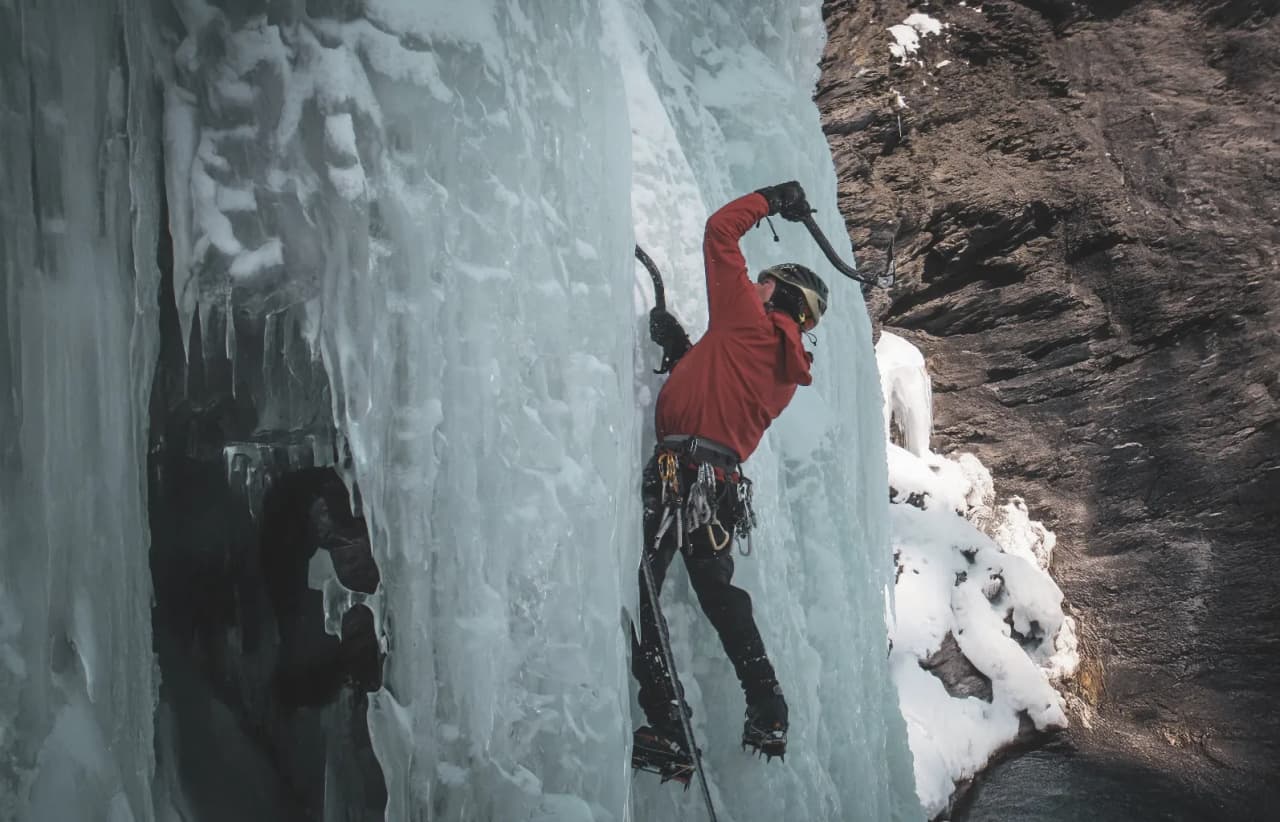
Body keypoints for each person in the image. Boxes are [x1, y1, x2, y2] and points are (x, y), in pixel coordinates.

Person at [632, 181, 829, 774]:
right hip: (715, 489)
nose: (755, 283)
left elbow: (720, 231)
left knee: (635, 587)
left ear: (781, 296)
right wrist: (687, 349)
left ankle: (668, 725)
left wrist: (772, 200)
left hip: (679, 476)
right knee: (719, 598)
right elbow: (720, 390)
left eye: (766, 281)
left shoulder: (749, 322)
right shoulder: (784, 367)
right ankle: (767, 704)